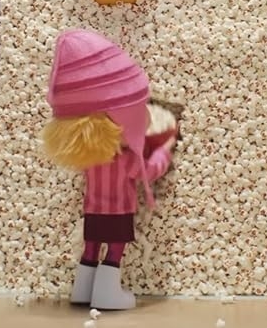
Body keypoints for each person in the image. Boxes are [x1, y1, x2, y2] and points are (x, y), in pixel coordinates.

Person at [42, 29, 179, 310]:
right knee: (115, 250)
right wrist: (164, 150)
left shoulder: (90, 159)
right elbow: (150, 171)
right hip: (118, 213)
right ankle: (107, 294)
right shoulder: (125, 159)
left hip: (92, 212)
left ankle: (82, 290)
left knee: (91, 247)